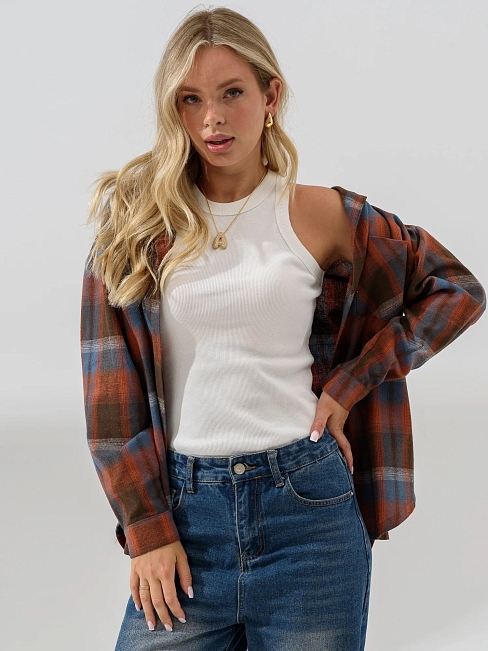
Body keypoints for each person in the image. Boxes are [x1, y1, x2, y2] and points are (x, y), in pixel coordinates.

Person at [80, 7, 486, 651]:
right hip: (186, 518)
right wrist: (147, 530)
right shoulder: (138, 224)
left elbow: (456, 290)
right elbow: (111, 401)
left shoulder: (320, 214)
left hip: (309, 512)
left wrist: (350, 383)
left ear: (271, 97)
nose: (212, 119)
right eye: (190, 99)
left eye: (232, 93)